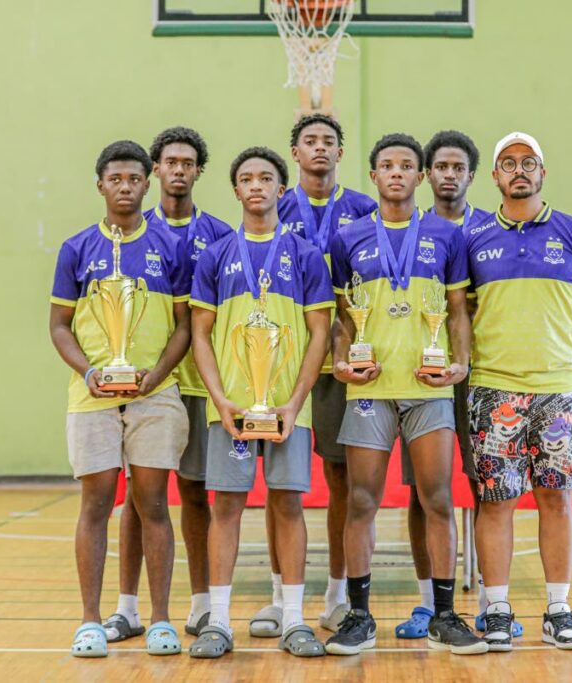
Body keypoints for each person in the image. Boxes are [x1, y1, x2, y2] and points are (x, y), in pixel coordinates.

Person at [325, 133, 487, 656]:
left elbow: (458, 310)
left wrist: (459, 364)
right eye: (386, 166)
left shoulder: (446, 235)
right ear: (372, 177)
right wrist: (341, 363)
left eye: (406, 166)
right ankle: (359, 616)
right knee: (361, 502)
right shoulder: (347, 236)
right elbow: (341, 318)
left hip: (428, 387)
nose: (396, 173)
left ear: (420, 177)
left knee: (436, 498)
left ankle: (444, 614)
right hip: (370, 390)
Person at [187, 147, 334, 659]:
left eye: (266, 178)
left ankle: (294, 619)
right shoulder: (215, 256)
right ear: (235, 190)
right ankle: (219, 622)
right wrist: (220, 399)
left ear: (281, 187)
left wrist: (296, 402)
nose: (256, 185)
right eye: (246, 178)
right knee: (225, 506)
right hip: (229, 408)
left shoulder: (306, 255)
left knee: (288, 503)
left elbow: (320, 334)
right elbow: (200, 335)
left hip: (289, 407)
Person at [467, 132, 572, 651]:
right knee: (497, 500)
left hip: (559, 390)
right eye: (509, 163)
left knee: (556, 497)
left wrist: (558, 352)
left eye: (529, 163)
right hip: (493, 388)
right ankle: (498, 609)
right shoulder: (475, 238)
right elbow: (462, 312)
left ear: (543, 173)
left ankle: (558, 608)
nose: (519, 171)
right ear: (496, 177)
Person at [49, 140, 192, 657]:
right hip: (92, 398)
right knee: (96, 502)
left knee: (153, 503)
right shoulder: (76, 248)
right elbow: (59, 326)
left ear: (146, 183)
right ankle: (90, 621)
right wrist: (88, 371)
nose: (126, 187)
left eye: (135, 179)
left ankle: (159, 621)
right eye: (116, 179)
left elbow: (183, 328)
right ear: (101, 185)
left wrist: (156, 375)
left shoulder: (170, 248)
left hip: (156, 395)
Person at [101, 127, 234, 643]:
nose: (178, 170)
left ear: (199, 171)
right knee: (139, 497)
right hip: (144, 387)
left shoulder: (221, 236)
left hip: (199, 387)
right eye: (169, 162)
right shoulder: (128, 233)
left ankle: (202, 605)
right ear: (155, 169)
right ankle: (127, 607)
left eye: (187, 162)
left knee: (196, 494)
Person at [248, 114, 377, 638]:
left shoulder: (364, 210)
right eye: (309, 141)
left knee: (343, 480)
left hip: (346, 365)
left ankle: (337, 593)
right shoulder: (271, 209)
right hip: (285, 367)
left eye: (328, 141)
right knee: (284, 488)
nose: (319, 148)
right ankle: (281, 596)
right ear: (294, 154)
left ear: (341, 154)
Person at [393, 129, 523, 641]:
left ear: (473, 176)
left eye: (458, 167)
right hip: (421, 377)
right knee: (422, 493)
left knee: (488, 484)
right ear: (427, 175)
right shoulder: (409, 230)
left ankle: (494, 606)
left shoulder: (494, 231)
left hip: (483, 376)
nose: (449, 175)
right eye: (440, 167)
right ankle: (428, 605)